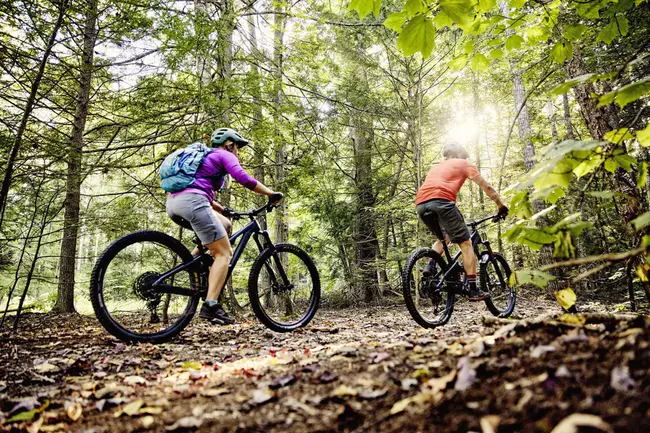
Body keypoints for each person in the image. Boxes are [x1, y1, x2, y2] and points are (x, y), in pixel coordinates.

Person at [166, 128, 282, 325]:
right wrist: (271, 194)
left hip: (174, 204)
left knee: (225, 224)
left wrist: (222, 209)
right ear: (230, 144)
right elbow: (244, 179)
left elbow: (197, 188)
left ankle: (193, 263)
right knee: (224, 253)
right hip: (194, 203)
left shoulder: (206, 157)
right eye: (238, 147)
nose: (238, 152)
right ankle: (211, 304)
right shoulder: (223, 154)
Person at [415, 142, 508, 301]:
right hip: (442, 202)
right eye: (463, 156)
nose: (464, 159)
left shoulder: (435, 168)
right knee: (466, 243)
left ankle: (430, 266)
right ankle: (473, 289)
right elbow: (487, 187)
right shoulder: (463, 164)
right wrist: (501, 206)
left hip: (421, 205)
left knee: (443, 238)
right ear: (459, 154)